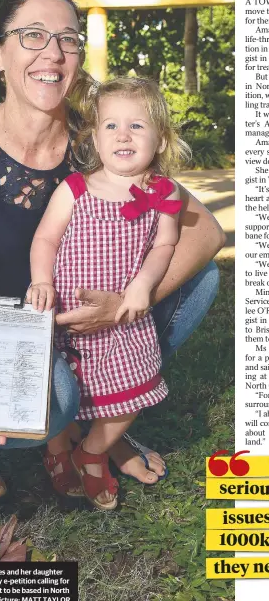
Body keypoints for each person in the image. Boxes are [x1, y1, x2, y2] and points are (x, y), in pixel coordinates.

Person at [0, 0, 225, 501]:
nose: (53, 52)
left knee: (202, 277)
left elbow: (206, 230)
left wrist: (124, 306)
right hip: (4, 329)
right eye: (33, 35)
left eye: (67, 39)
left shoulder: (101, 140)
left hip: (87, 322)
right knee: (58, 401)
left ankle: (105, 430)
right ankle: (65, 427)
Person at [27, 77, 189, 510]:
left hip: (123, 319)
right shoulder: (75, 189)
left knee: (134, 386)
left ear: (160, 138)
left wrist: (142, 284)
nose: (123, 134)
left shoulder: (164, 192)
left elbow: (165, 245)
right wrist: (41, 280)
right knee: (60, 385)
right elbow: (45, 239)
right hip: (67, 317)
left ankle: (94, 450)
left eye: (137, 126)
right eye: (111, 126)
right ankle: (59, 446)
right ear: (94, 138)